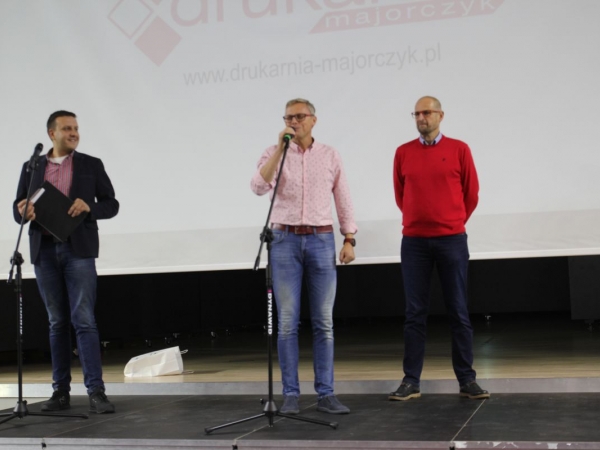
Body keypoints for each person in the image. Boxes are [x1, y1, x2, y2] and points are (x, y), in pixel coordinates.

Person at [251, 99, 357, 415]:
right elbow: (258, 186)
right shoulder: (273, 152)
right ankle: (290, 395)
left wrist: (349, 237)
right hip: (283, 240)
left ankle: (326, 394)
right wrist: (279, 150)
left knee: (324, 322)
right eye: (288, 117)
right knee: (287, 323)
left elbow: (343, 196)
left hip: (321, 239)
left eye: (299, 116)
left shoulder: (329, 155)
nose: (293, 122)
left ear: (313, 120)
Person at [13, 111, 119, 413]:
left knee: (83, 320)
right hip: (44, 251)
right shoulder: (32, 166)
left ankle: (96, 392)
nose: (74, 133)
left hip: (78, 251)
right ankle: (60, 392)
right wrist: (23, 210)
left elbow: (112, 205)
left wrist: (90, 207)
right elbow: (18, 208)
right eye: (67, 128)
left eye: (76, 128)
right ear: (52, 134)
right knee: (56, 322)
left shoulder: (91, 164)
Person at [390, 96, 489, 401]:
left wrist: (451, 221)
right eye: (417, 113)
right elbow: (401, 195)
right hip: (414, 242)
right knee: (414, 313)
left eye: (427, 112)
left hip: (451, 240)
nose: (421, 117)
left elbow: (471, 193)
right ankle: (411, 381)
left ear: (440, 115)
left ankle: (467, 379)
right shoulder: (403, 152)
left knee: (458, 310)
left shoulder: (459, 149)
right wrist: (420, 220)